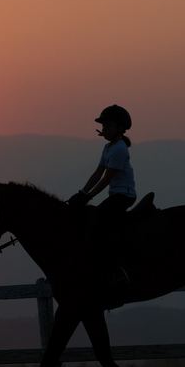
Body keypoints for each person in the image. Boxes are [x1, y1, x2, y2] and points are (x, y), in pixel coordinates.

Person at [67, 104, 137, 295]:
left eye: (107, 125)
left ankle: (118, 271)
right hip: (116, 194)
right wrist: (82, 192)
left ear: (118, 128)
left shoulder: (119, 149)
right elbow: (98, 172)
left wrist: (87, 196)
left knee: (100, 224)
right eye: (104, 125)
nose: (104, 128)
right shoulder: (108, 147)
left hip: (124, 195)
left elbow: (107, 178)